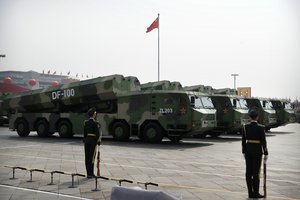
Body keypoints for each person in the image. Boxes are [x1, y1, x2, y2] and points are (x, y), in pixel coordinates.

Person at [242, 107, 268, 199]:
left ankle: (250, 193)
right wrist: (266, 153)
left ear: (250, 117)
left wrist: (244, 152)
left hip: (248, 150)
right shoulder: (261, 128)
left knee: (248, 172)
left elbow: (243, 141)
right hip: (257, 151)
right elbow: (264, 142)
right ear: (257, 117)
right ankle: (255, 192)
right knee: (256, 173)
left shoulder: (245, 127)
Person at [83, 107, 101, 178]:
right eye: (95, 114)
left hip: (87, 141)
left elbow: (84, 133)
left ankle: (88, 173)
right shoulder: (96, 123)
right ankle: (91, 173)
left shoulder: (86, 122)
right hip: (93, 141)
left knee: (87, 157)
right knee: (92, 157)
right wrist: (98, 141)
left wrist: (85, 140)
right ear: (93, 114)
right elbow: (97, 134)